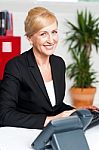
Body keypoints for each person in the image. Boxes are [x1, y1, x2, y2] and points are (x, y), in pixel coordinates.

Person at [0, 7, 97, 129]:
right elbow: (4, 115)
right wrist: (50, 120)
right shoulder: (16, 66)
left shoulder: (58, 63)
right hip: (23, 131)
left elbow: (53, 107)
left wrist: (76, 111)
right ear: (30, 38)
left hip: (51, 131)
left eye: (54, 32)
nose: (51, 40)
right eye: (43, 34)